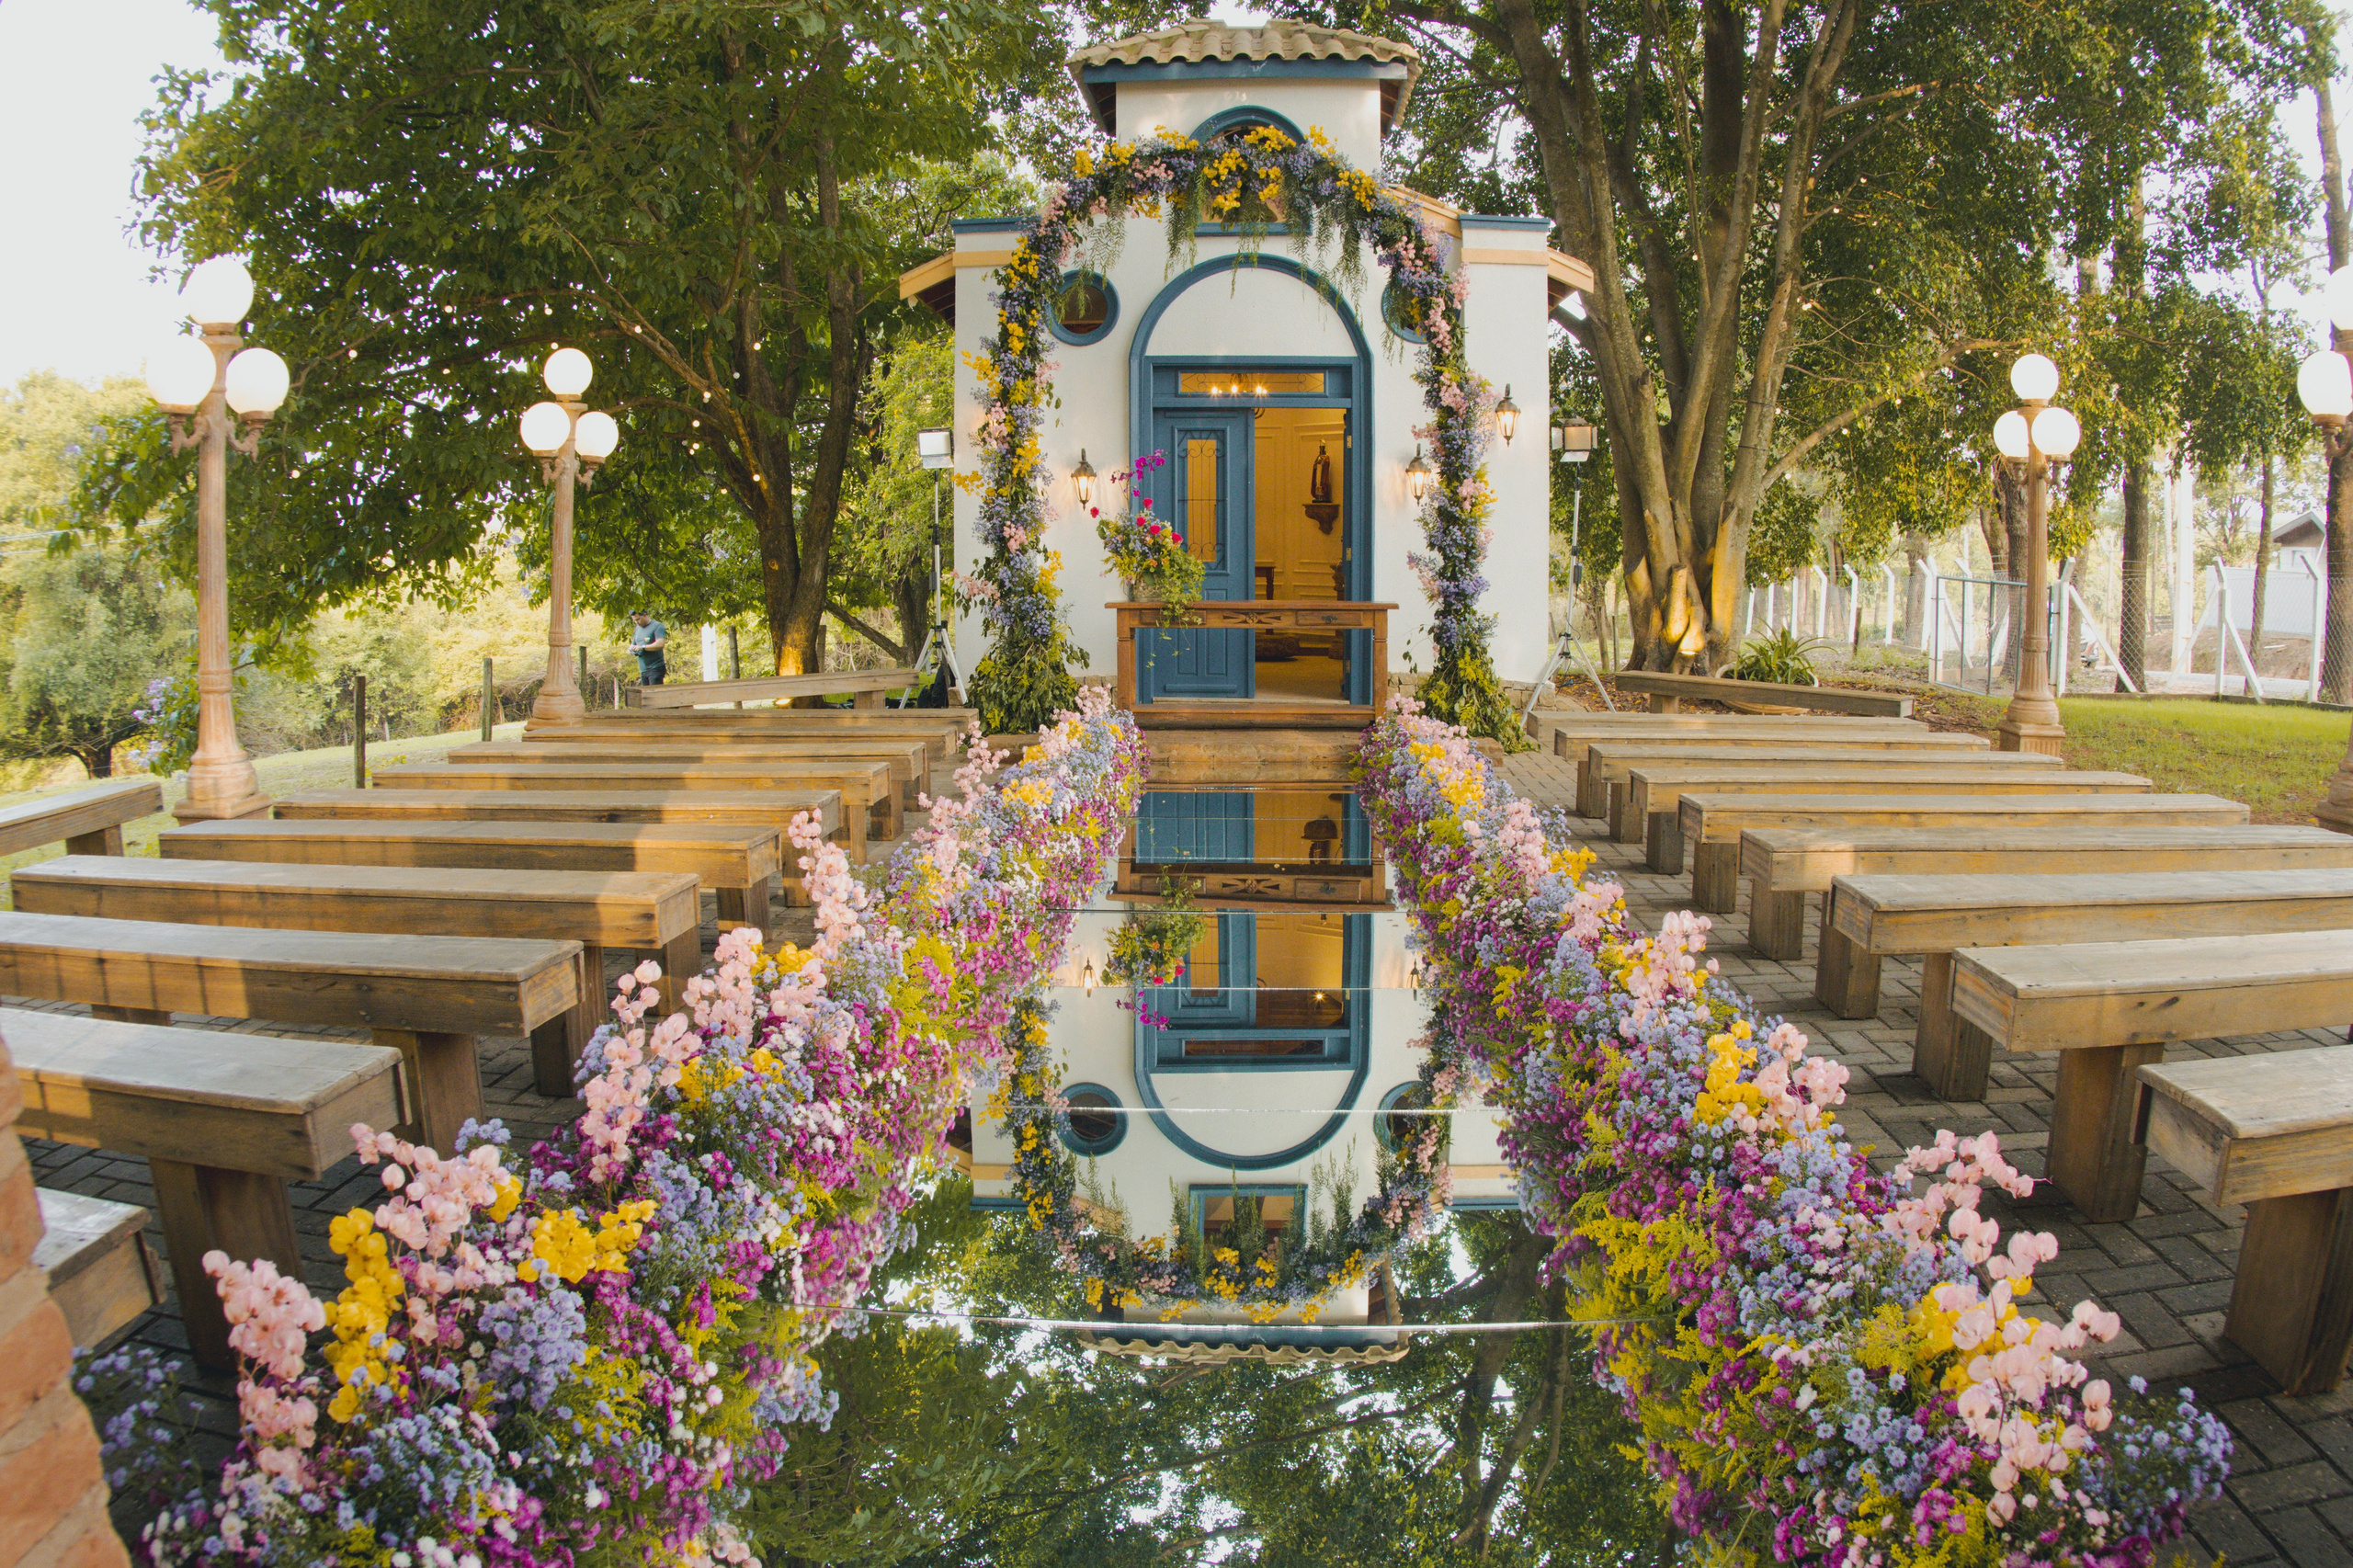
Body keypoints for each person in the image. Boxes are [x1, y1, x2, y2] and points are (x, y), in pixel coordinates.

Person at [628, 611, 668, 686]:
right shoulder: (637, 629)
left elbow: (660, 644)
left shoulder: (657, 626)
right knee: (645, 695)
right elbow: (633, 644)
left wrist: (643, 648)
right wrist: (631, 649)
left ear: (644, 615)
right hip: (643, 669)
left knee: (654, 695)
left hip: (655, 668)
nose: (637, 622)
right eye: (634, 621)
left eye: (638, 619)